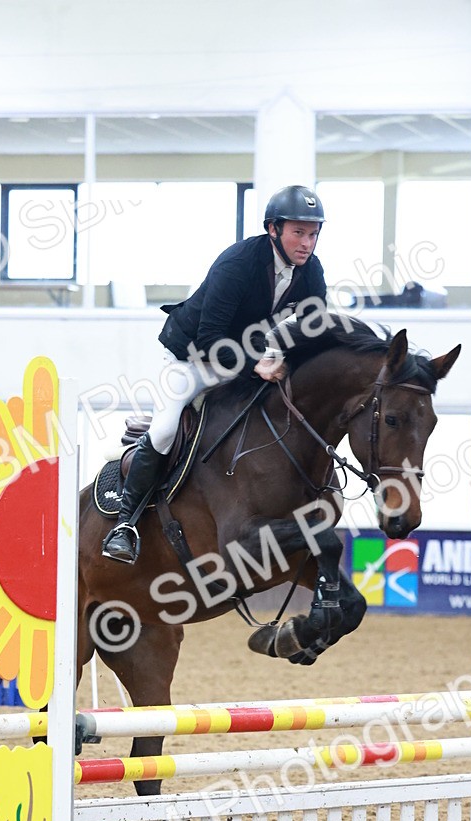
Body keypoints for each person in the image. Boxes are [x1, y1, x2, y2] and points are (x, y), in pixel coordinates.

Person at [102, 184, 327, 563]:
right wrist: (256, 362)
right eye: (298, 233)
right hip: (192, 359)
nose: (307, 243)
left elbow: (313, 330)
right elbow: (209, 337)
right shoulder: (238, 262)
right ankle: (125, 524)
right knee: (166, 430)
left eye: (313, 234)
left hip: (242, 363)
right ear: (273, 229)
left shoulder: (310, 272)